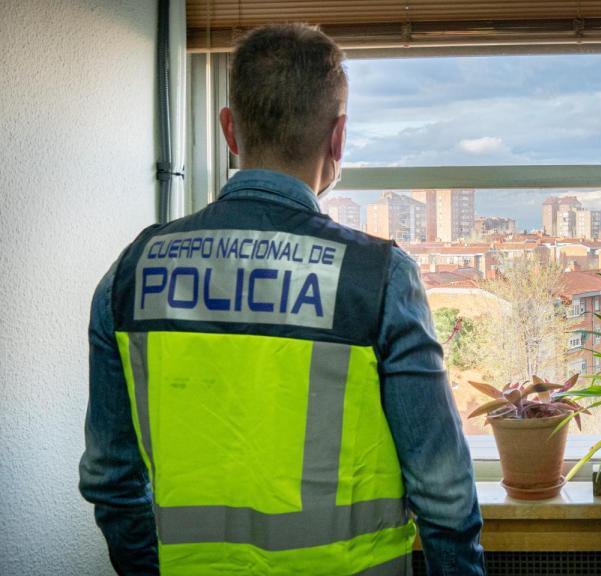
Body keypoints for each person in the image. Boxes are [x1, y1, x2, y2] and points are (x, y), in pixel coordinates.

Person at [78, 23, 484, 576]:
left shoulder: (131, 272)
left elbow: (111, 479)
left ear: (230, 130)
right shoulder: (378, 277)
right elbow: (443, 490)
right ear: (338, 137)